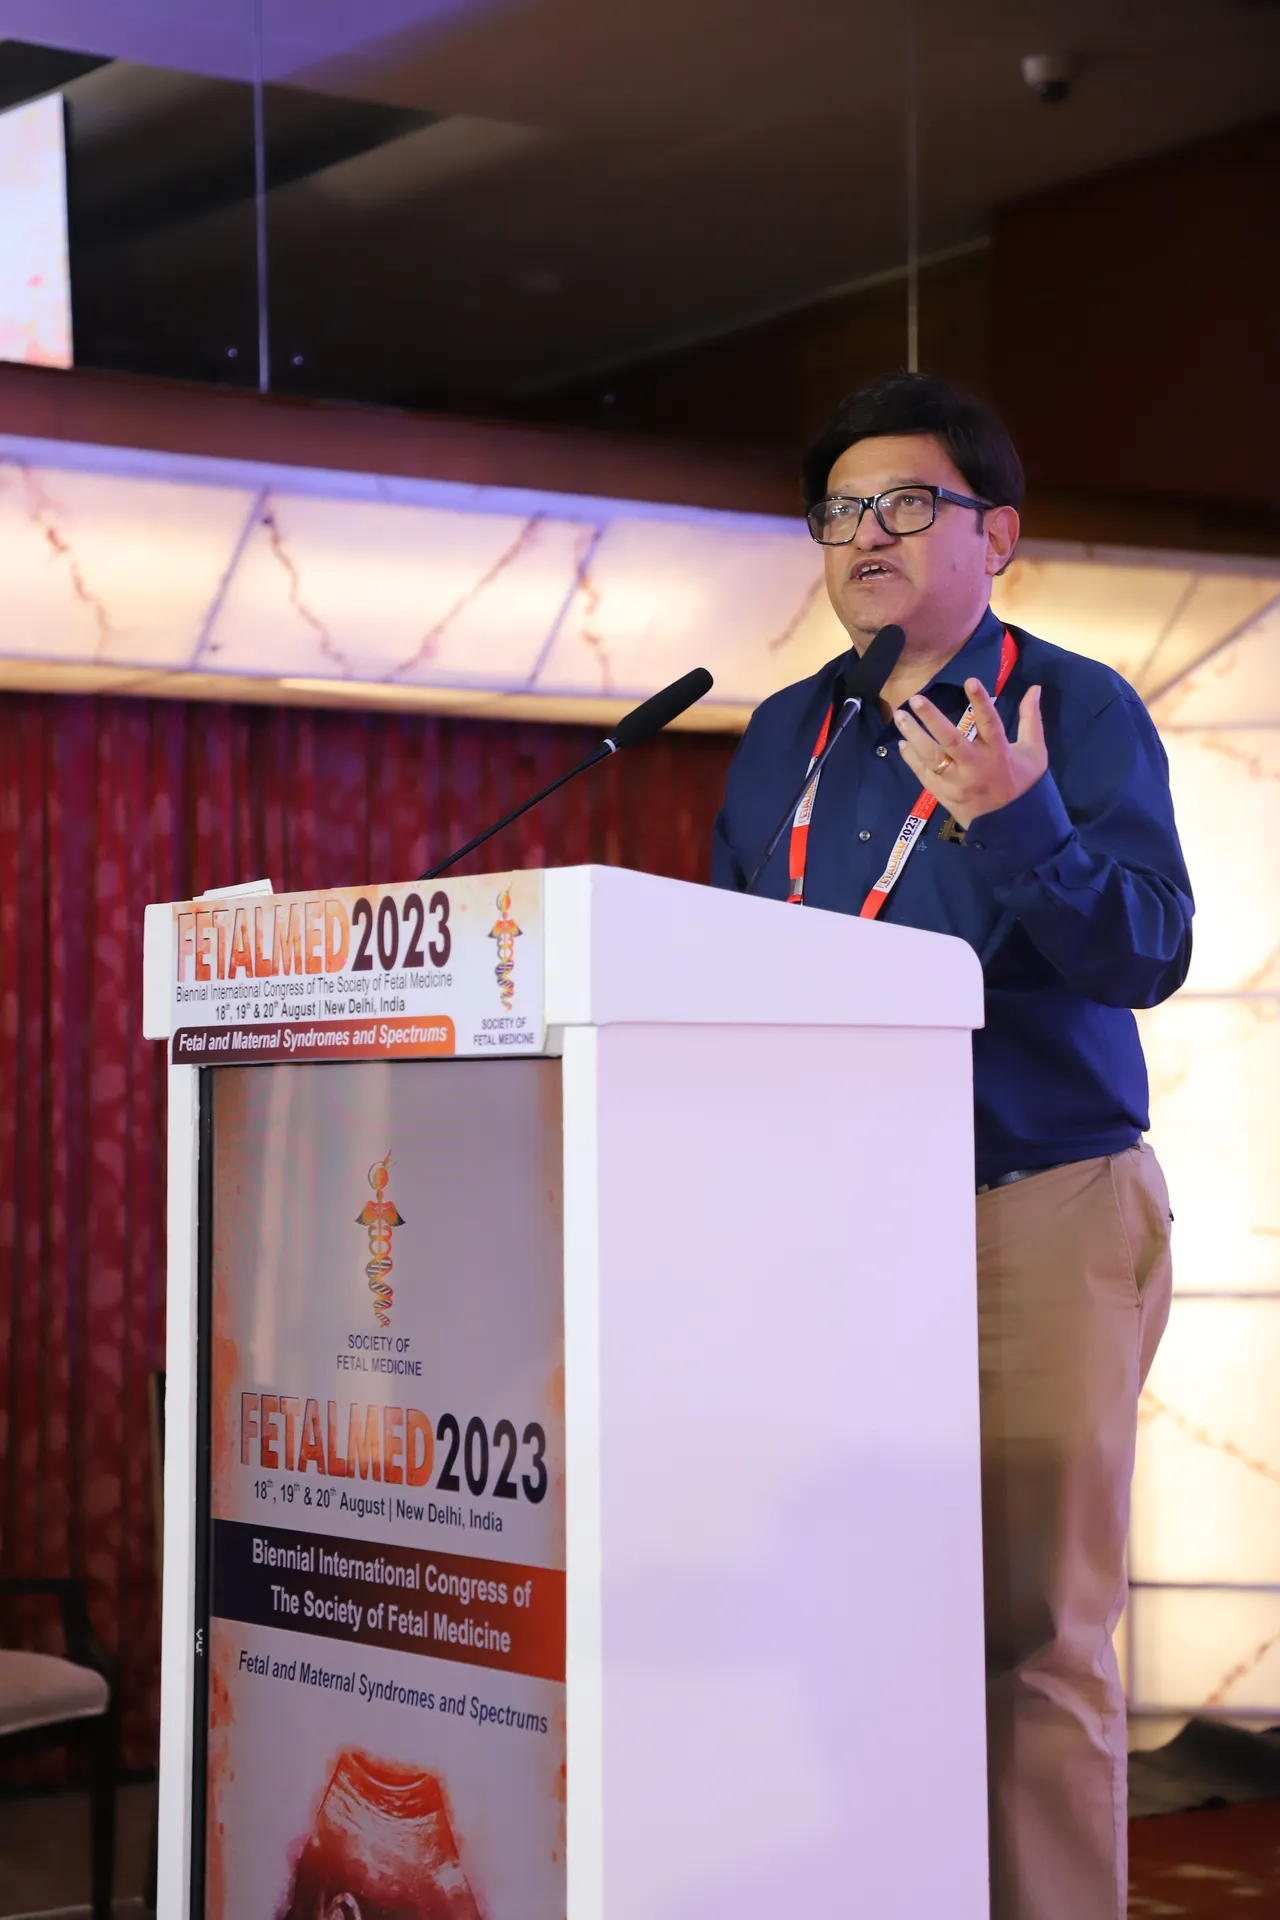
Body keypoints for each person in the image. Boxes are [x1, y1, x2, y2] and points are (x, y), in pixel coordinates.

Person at [711, 371, 1192, 1920]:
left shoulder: (1075, 708)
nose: (866, 533)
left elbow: (1149, 949)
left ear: (1000, 533)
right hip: (837, 1231)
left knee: (1036, 1636)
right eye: (840, 510)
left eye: (907, 503)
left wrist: (1018, 818)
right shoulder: (785, 733)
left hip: (1030, 1205)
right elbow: (735, 953)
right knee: (853, 1622)